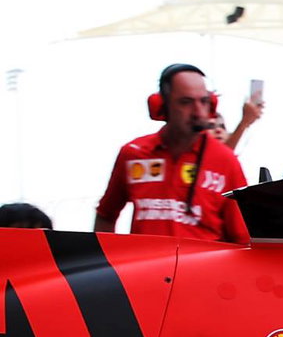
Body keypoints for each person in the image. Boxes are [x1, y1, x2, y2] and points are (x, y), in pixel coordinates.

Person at [94, 63, 249, 243]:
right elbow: (105, 215)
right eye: (186, 102)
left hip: (201, 271)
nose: (198, 112)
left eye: (204, 101)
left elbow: (243, 238)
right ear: (162, 105)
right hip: (146, 269)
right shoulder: (133, 153)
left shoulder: (226, 161)